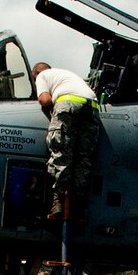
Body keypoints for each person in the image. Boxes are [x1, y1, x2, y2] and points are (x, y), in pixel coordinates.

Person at [32, 61, 97, 218]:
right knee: (83, 158)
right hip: (92, 106)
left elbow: (45, 100)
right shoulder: (68, 75)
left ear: (36, 74)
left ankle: (58, 202)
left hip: (68, 104)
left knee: (61, 151)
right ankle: (78, 204)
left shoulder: (42, 75)